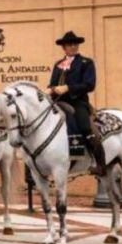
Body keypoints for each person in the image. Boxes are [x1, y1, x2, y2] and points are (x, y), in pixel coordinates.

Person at [46, 31, 103, 175]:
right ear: (63, 47)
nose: (72, 47)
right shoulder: (58, 64)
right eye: (69, 44)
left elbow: (90, 85)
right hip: (57, 102)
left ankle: (99, 163)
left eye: (74, 44)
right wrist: (49, 90)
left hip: (77, 101)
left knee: (86, 127)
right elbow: (53, 83)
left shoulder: (86, 62)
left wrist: (68, 88)